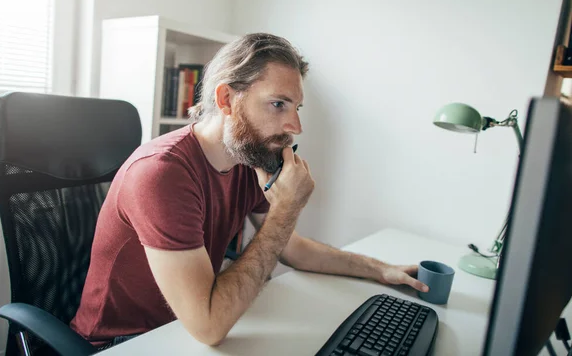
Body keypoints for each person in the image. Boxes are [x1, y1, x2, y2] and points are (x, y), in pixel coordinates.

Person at [70, 33, 429, 347]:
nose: (295, 126)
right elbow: (209, 326)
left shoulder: (246, 157)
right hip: (121, 342)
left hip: (181, 329)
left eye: (296, 107)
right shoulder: (161, 173)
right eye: (278, 104)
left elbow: (294, 250)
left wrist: (380, 269)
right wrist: (285, 210)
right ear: (227, 100)